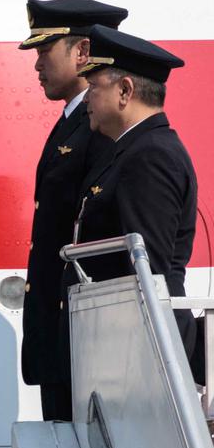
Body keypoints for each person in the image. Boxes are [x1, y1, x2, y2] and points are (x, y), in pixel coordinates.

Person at [18, 0, 127, 421]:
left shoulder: (97, 126)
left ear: (82, 51)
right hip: (61, 331)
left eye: (45, 51)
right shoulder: (72, 122)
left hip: (81, 335)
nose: (37, 64)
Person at [69, 25, 198, 378]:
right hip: (121, 343)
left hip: (140, 353)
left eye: (94, 87)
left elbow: (146, 270)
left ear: (125, 91)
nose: (87, 100)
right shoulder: (130, 151)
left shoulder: (150, 156)